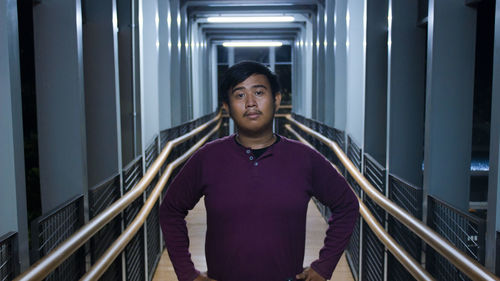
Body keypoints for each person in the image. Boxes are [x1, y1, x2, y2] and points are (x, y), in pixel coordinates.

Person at [159, 61, 359, 281]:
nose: (251, 103)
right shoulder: (208, 158)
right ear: (226, 107)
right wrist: (187, 274)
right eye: (240, 95)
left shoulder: (305, 159)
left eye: (259, 92)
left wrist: (324, 266)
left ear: (276, 100)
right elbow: (170, 210)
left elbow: (347, 205)